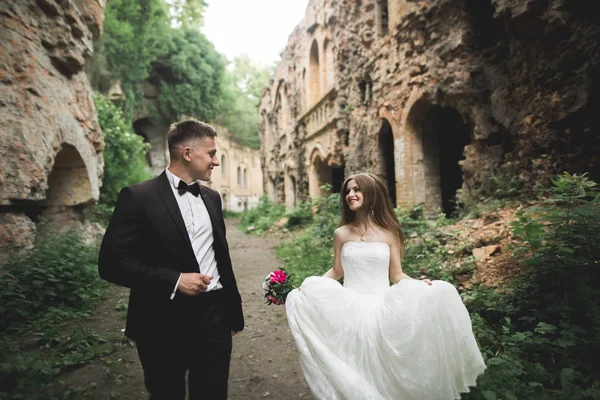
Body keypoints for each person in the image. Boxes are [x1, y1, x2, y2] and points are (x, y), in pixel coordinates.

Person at [285, 173, 485, 400]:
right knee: (354, 361)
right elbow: (337, 270)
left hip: (382, 306)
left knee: (384, 362)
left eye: (357, 190)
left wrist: (419, 284)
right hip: (349, 306)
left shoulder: (389, 233)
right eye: (348, 191)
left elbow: (397, 275)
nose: (351, 195)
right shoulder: (341, 233)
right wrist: (312, 288)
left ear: (371, 194)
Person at [98, 119, 244, 400]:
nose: (216, 161)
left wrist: (232, 311)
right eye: (211, 154)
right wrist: (174, 280)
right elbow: (111, 263)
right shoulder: (137, 197)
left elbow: (220, 257)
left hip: (214, 316)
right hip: (161, 320)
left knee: (212, 393)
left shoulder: (212, 198)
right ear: (188, 154)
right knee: (167, 393)